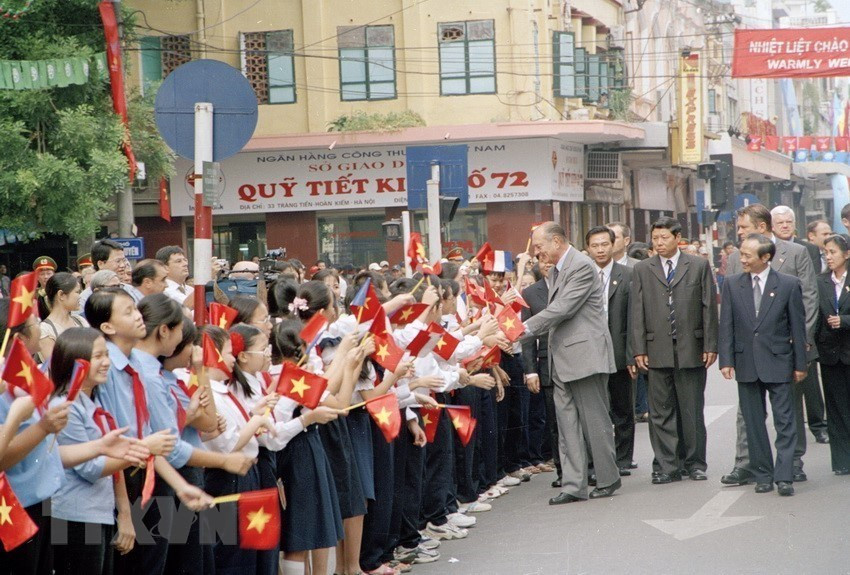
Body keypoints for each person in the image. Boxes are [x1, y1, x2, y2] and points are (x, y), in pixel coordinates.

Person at [521, 222, 620, 505]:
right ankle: (574, 485)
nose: (537, 252)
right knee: (567, 426)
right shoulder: (558, 269)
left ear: (556, 241)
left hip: (585, 356)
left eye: (540, 246)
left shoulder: (581, 266)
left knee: (594, 422)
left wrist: (522, 329)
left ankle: (607, 477)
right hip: (561, 358)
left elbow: (562, 309)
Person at [721, 204, 818, 486]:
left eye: (747, 256)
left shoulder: (787, 283)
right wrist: (726, 360)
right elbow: (726, 324)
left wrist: (801, 363)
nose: (742, 260)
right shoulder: (732, 283)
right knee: (752, 424)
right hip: (747, 363)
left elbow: (800, 323)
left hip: (780, 359)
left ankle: (785, 474)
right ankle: (762, 474)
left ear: (766, 257)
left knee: (786, 421)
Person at [49, 328, 150, 575]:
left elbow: (109, 463)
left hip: (98, 512)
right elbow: (91, 468)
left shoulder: (92, 404)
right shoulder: (66, 408)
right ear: (77, 363)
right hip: (74, 515)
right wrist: (138, 452)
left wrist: (124, 513)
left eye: (107, 355)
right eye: (98, 356)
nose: (106, 362)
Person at [630, 216, 718, 484]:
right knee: (661, 412)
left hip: (691, 348)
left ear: (677, 238)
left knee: (691, 410)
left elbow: (709, 307)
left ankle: (695, 463)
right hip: (656, 350)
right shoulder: (643, 269)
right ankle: (668, 466)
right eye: (655, 238)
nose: (658, 243)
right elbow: (636, 311)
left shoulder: (698, 265)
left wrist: (710, 345)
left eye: (664, 238)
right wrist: (638, 349)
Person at [771, 206, 830, 445]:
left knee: (809, 380)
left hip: (806, 325)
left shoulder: (808, 249)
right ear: (772, 226)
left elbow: (811, 291)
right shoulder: (767, 250)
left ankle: (818, 425)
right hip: (778, 329)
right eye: (780, 222)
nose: (785, 226)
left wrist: (806, 330)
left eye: (789, 221)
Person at [585, 226, 636, 475]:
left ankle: (624, 460)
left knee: (623, 408)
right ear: (588, 249)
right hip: (590, 352)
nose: (600, 249)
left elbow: (635, 318)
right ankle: (599, 460)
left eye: (604, 244)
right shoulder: (582, 275)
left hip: (618, 350)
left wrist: (632, 354)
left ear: (613, 244)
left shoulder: (628, 274)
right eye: (595, 245)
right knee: (596, 409)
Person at [521, 264, 561, 486]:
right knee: (554, 422)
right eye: (543, 260)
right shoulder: (530, 293)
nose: (548, 265)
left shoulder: (571, 283)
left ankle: (588, 467)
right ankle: (563, 472)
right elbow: (527, 335)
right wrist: (531, 371)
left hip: (573, 359)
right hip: (546, 364)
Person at [815, 234, 850, 474]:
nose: (828, 257)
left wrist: (845, 321)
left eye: (833, 252)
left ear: (846, 254)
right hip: (830, 356)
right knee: (836, 410)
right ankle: (841, 462)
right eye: (825, 252)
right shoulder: (820, 281)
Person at [39, 272, 89, 362]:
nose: (80, 296)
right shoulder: (45, 330)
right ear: (61, 295)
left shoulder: (80, 321)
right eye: (77, 292)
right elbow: (54, 366)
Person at [78, 240, 130, 313]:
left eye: (124, 260)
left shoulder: (132, 291)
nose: (123, 265)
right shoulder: (85, 299)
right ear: (101, 264)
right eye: (118, 261)